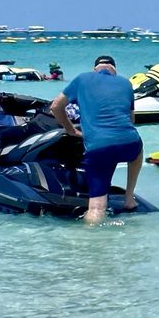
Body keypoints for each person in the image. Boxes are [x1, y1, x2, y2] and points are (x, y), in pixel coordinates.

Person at [50, 54, 143, 223]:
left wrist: (70, 130)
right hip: (129, 142)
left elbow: (56, 107)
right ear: (114, 70)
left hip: (98, 147)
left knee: (97, 208)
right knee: (137, 152)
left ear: (95, 69)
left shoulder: (82, 78)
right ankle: (129, 198)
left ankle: (90, 244)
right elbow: (132, 120)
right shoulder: (126, 83)